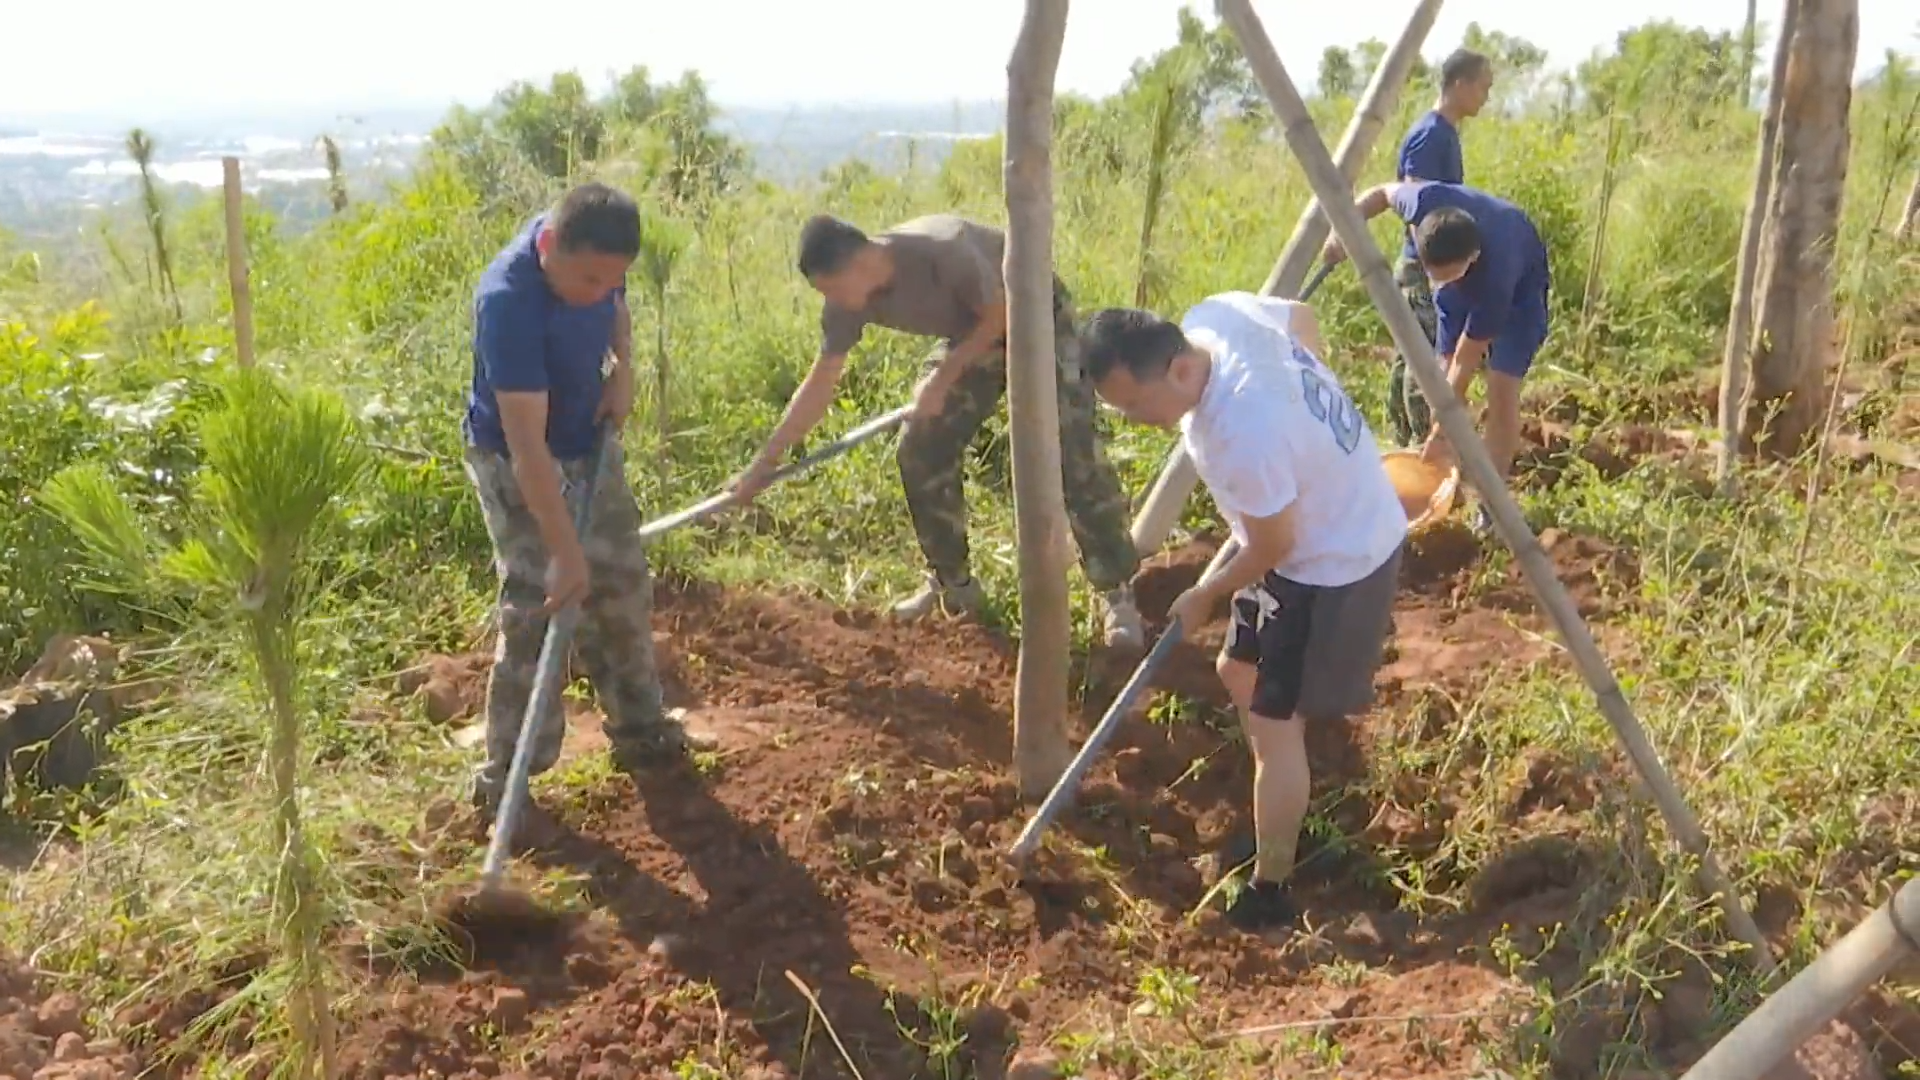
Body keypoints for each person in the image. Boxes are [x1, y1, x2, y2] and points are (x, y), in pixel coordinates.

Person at [1079, 292, 1407, 931]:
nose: (1138, 420)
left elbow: (1274, 545)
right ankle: (1277, 804)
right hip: (1305, 530)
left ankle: (1271, 887)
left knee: (1275, 726)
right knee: (1240, 672)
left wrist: (1204, 595)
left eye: (1136, 405)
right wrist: (1301, 426)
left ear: (1176, 370)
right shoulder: (1215, 317)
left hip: (1332, 560)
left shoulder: (1242, 435)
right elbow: (1301, 314)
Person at [732, 213, 1147, 650]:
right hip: (973, 334)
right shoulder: (846, 303)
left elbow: (1000, 314)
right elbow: (821, 382)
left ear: (859, 263)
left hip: (1036, 315)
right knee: (920, 447)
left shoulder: (942, 248)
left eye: (832, 288)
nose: (831, 300)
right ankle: (955, 585)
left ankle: (1116, 592)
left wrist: (941, 379)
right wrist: (764, 464)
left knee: (1070, 448)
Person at [462, 182, 705, 813]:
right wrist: (565, 552)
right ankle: (506, 779)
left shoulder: (594, 244)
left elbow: (617, 307)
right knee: (539, 605)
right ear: (547, 247)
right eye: (588, 280)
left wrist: (621, 371)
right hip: (517, 459)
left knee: (621, 579)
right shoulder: (509, 304)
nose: (599, 291)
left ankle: (640, 730)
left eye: (611, 279)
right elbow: (525, 445)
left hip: (585, 438)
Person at [1323, 180, 1551, 532]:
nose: (1439, 284)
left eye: (1448, 276)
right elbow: (1382, 193)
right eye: (1434, 276)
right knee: (1441, 377)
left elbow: (1465, 359)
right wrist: (1344, 230)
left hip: (1521, 297)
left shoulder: (1497, 278)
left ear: (1471, 259)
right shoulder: (1424, 202)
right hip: (1464, 276)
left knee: (1501, 389)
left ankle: (1492, 504)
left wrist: (1442, 427)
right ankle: (1448, 463)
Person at [1383, 48, 1493, 447]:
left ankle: (1402, 439)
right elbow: (1418, 208)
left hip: (1429, 264)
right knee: (1425, 355)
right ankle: (1421, 442)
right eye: (1483, 86)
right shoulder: (1430, 137)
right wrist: (1436, 274)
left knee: (1408, 351)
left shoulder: (1443, 134)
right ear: (1459, 84)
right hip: (1424, 265)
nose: (1486, 96)